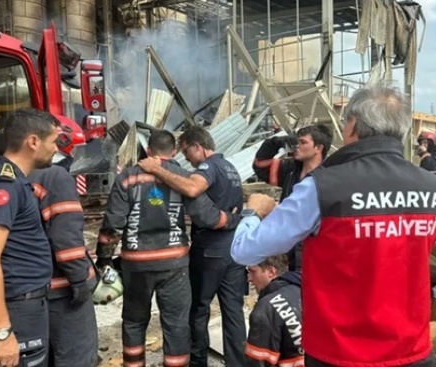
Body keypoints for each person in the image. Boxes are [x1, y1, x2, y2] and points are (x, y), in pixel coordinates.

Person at [231, 86, 436, 367]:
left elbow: (245, 251)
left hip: (339, 352)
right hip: (411, 349)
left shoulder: (321, 188)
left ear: (351, 127)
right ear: (403, 130)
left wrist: (253, 210)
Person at [99, 130, 240, 367]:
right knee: (176, 323)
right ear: (174, 152)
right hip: (174, 264)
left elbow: (113, 224)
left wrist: (104, 260)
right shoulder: (184, 177)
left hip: (136, 263)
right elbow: (207, 217)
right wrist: (234, 219)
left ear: (149, 151)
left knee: (134, 322)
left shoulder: (128, 177)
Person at [138, 126, 246, 367]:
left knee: (198, 308)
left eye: (187, 152)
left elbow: (192, 188)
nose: (185, 159)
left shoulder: (208, 168)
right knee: (233, 311)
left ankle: (198, 362)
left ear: (198, 146)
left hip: (210, 250)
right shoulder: (231, 168)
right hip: (235, 250)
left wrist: (156, 168)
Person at [0, 109, 59, 367]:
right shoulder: (5, 185)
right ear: (33, 141)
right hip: (18, 308)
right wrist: (4, 333)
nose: (55, 149)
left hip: (21, 304)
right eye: (52, 141)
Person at [27, 115, 99, 367]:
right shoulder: (54, 177)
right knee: (75, 356)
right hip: (61, 289)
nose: (56, 148)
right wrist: (79, 278)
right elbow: (65, 236)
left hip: (24, 293)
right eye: (54, 141)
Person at [252, 124, 332, 271]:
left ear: (318, 148)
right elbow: (260, 165)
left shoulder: (330, 177)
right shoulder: (290, 170)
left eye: (303, 143)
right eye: (296, 142)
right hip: (287, 247)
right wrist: (275, 143)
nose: (297, 146)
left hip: (314, 249)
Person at [245, 254, 303, 367]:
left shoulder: (266, 309)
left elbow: (258, 361)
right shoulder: (302, 290)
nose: (249, 278)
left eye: (253, 271)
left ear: (271, 272)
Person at [416, 131, 436, 246]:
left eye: (425, 142)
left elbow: (430, 165)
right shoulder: (431, 154)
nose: (422, 145)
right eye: (421, 143)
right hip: (431, 191)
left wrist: (424, 153)